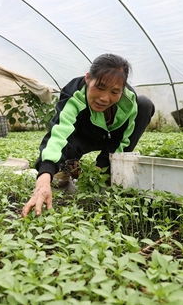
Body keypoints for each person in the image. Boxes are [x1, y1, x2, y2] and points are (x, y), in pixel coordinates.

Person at [21, 53, 155, 217]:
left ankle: (109, 170)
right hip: (80, 136)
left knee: (145, 104)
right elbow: (59, 133)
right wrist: (44, 176)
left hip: (110, 138)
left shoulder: (129, 101)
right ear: (88, 78)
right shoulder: (74, 92)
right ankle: (68, 165)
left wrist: (102, 168)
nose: (104, 98)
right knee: (59, 172)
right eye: (99, 87)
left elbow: (124, 139)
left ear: (123, 89)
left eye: (114, 91)